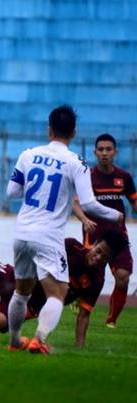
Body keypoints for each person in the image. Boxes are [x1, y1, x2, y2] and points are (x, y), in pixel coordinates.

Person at [6, 105, 123, 353]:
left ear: (49, 130)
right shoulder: (76, 163)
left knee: (22, 292)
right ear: (73, 133)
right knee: (57, 294)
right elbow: (89, 203)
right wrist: (115, 214)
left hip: (22, 232)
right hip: (48, 235)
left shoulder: (27, 155)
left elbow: (12, 193)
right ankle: (39, 339)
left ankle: (15, 341)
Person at [73, 133, 136, 328]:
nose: (105, 153)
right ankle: (76, 297)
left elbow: (134, 201)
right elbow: (75, 204)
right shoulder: (87, 176)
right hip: (93, 236)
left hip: (117, 237)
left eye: (108, 149)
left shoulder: (123, 177)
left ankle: (111, 319)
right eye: (101, 149)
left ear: (115, 152)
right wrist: (83, 219)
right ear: (95, 152)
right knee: (87, 278)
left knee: (123, 277)